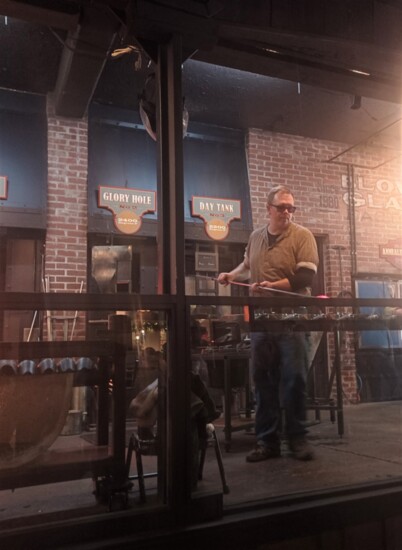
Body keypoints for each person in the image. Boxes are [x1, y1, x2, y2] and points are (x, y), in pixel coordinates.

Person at [218, 185, 319, 462]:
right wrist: (231, 273)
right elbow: (248, 265)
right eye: (281, 207)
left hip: (292, 320)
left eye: (290, 207)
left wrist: (272, 286)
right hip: (262, 321)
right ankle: (267, 442)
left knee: (293, 380)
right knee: (262, 381)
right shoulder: (255, 237)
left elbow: (304, 278)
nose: (287, 212)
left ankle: (297, 439)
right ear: (269, 209)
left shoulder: (303, 236)